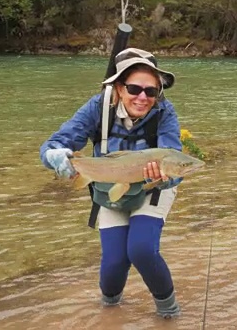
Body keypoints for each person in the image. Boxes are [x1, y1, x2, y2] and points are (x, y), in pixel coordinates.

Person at [39, 48, 183, 318]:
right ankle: (109, 315)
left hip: (152, 186)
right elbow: (54, 144)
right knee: (114, 262)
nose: (143, 97)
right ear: (118, 87)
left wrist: (164, 177)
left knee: (141, 249)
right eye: (134, 88)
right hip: (110, 186)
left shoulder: (165, 112)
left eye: (151, 91)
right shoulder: (97, 107)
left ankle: (170, 313)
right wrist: (55, 156)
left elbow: (174, 158)